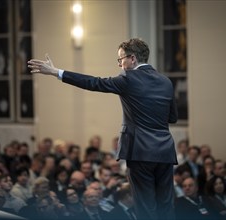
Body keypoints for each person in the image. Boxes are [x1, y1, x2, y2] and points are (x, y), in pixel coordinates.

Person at [28, 38, 178, 220]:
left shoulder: (128, 78)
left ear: (132, 59)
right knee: (166, 206)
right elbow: (172, 118)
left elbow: (94, 83)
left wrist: (56, 72)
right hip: (165, 151)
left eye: (120, 59)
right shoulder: (166, 82)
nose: (120, 64)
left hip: (140, 151)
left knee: (145, 207)